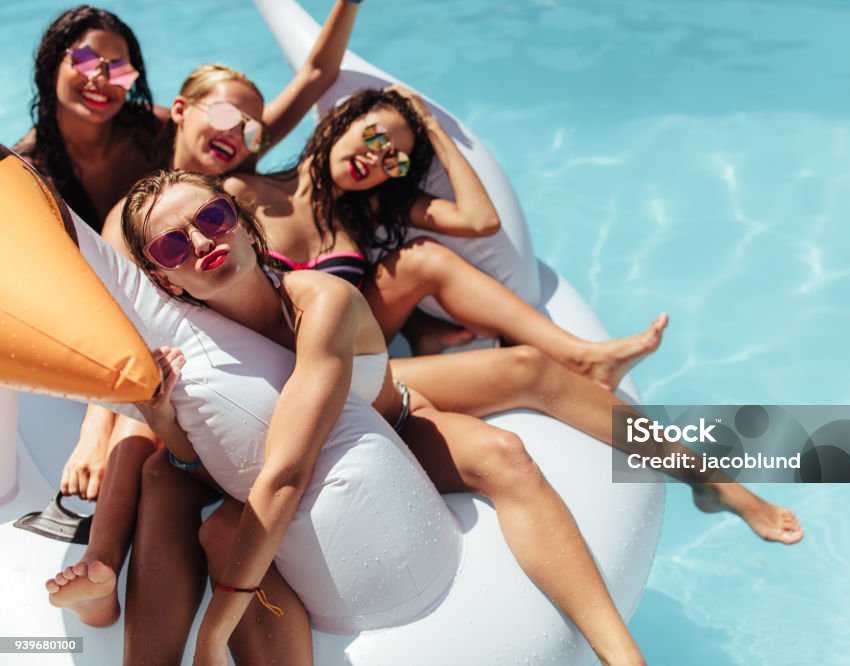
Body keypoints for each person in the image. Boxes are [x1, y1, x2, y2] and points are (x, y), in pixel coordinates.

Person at [117, 170, 647, 665]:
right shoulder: (197, 356)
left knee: (506, 443)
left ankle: (632, 630)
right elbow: (217, 468)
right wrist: (163, 420)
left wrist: (213, 634)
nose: (202, 242)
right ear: (167, 282)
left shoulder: (322, 301)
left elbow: (287, 474)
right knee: (212, 524)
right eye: (172, 245)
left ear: (244, 223)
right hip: (281, 479)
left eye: (212, 219)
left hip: (395, 423)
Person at [41, 0, 364, 629]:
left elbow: (317, 76)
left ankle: (624, 431)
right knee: (147, 449)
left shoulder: (241, 186)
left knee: (519, 392)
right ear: (183, 111)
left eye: (253, 128)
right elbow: (115, 313)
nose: (239, 132)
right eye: (224, 116)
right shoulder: (141, 214)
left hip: (329, 368)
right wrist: (94, 430)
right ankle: (101, 575)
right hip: (218, 383)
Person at [229, 87, 669, 391]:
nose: (377, 158)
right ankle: (433, 344)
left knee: (424, 257)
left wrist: (431, 128)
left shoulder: (372, 209)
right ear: (338, 124)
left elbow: (480, 221)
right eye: (375, 137)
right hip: (279, 351)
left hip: (344, 344)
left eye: (394, 161)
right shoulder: (244, 192)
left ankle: (582, 357)